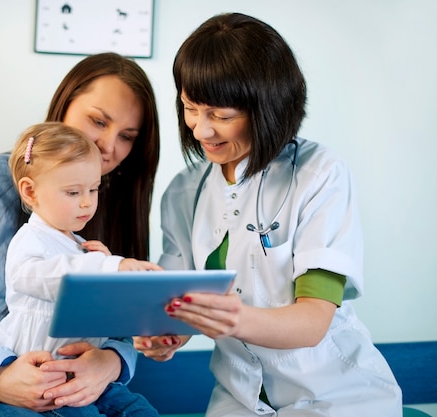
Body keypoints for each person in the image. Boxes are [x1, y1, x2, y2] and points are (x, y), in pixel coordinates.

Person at [134, 13, 402, 416]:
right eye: (191, 108)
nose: (200, 130)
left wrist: (230, 319)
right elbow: (178, 301)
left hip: (335, 396)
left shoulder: (318, 174)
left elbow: (313, 322)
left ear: (269, 108)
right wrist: (166, 334)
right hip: (237, 398)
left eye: (221, 116)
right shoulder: (184, 191)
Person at [0, 52, 160, 416]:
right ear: (64, 105)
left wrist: (109, 362)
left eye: (127, 136)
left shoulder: (108, 201)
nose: (108, 146)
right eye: (98, 121)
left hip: (76, 382)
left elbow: (117, 327)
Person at [0, 122, 161, 417]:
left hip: (87, 375)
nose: (87, 202)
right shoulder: (29, 241)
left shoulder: (83, 247)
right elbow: (49, 278)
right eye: (73, 192)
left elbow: (96, 302)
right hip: (47, 377)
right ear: (31, 192)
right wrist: (109, 268)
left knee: (141, 410)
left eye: (94, 189)